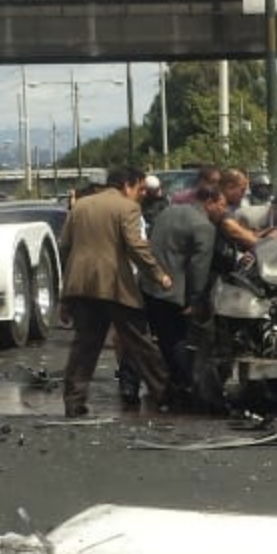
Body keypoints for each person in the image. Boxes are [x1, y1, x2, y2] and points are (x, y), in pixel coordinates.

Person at [61, 165, 171, 416]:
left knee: (85, 346)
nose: (142, 194)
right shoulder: (127, 208)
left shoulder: (80, 206)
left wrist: (65, 294)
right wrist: (158, 274)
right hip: (113, 284)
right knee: (140, 341)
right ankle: (164, 392)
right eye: (140, 189)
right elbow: (135, 246)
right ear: (126, 185)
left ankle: (74, 400)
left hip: (80, 285)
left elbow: (65, 246)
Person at [142, 184, 217, 402]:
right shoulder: (204, 226)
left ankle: (171, 385)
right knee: (181, 341)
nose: (223, 211)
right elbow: (198, 267)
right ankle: (188, 386)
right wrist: (194, 299)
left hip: (151, 286)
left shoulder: (168, 211)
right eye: (221, 205)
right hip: (176, 292)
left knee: (163, 340)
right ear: (210, 202)